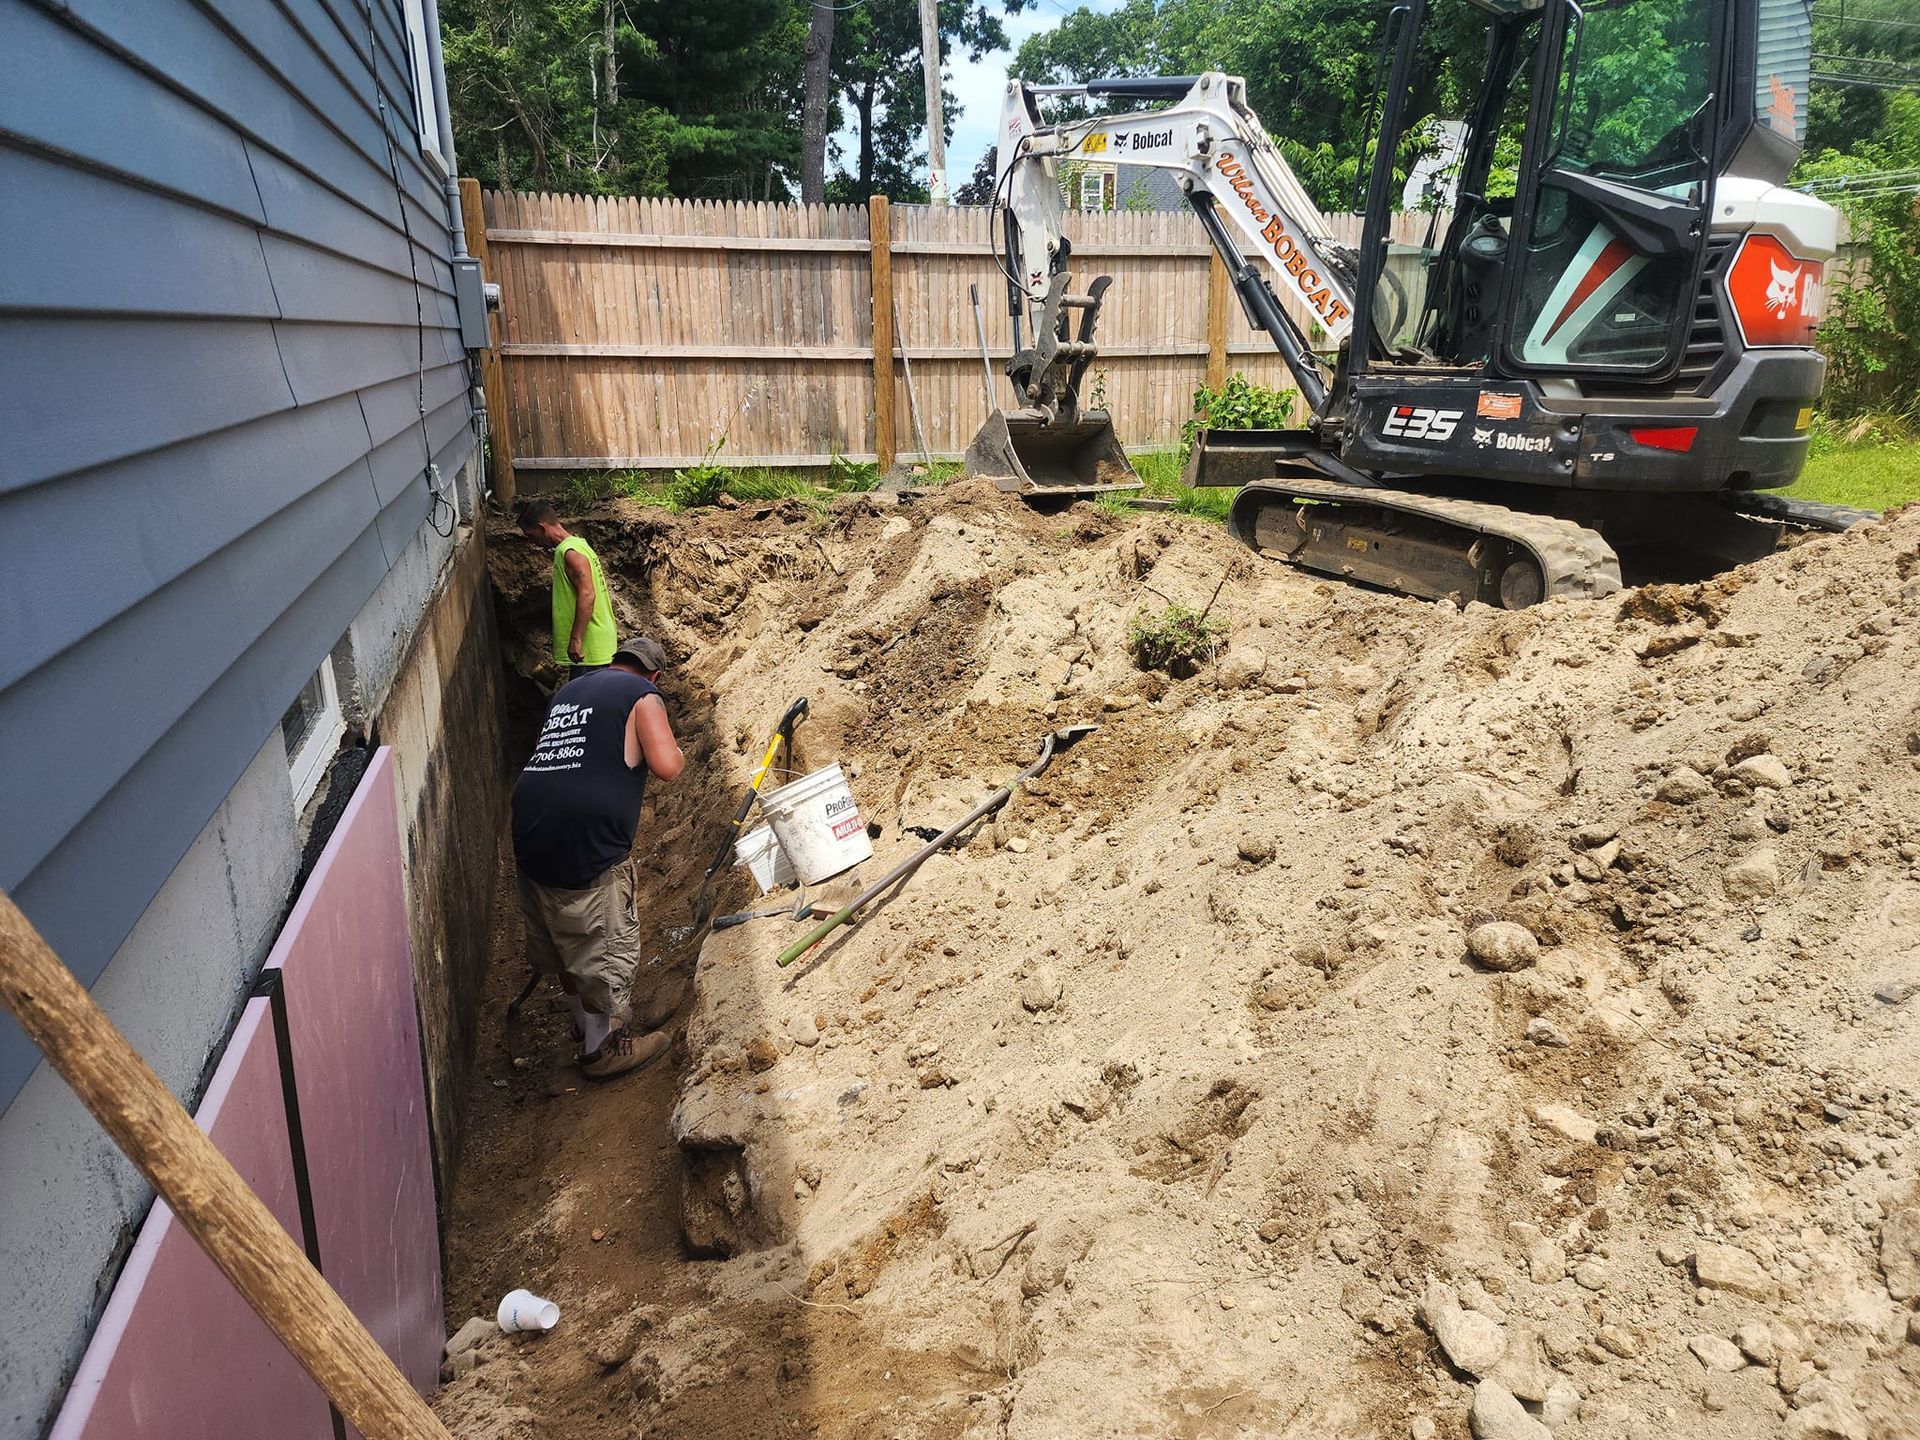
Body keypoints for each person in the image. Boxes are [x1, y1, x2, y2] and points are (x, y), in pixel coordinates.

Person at [511, 637, 685, 1079]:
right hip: (583, 841)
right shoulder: (643, 695)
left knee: (561, 936)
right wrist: (674, 747)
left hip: (530, 831)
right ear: (654, 676)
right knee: (599, 942)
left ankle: (580, 1023)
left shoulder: (569, 693)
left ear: (613, 663)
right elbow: (667, 766)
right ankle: (599, 1049)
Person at [518, 499, 616, 679]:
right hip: (592, 648)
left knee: (587, 704)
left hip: (590, 649)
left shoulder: (570, 553)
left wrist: (576, 639)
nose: (533, 542)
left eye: (531, 535)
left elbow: (587, 594)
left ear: (542, 527)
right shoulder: (577, 545)